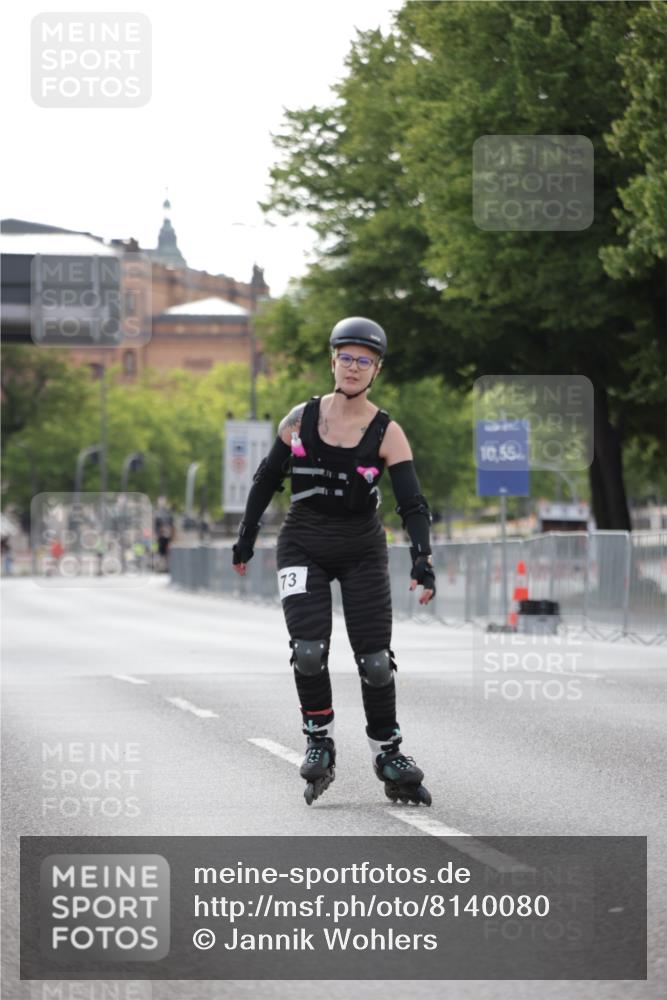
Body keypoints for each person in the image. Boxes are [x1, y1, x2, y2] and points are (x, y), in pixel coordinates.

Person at [232, 317, 436, 806]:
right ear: (333, 361)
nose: (353, 367)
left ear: (376, 370)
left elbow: (412, 503)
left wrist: (422, 558)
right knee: (308, 650)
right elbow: (266, 479)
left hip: (362, 548)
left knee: (375, 662)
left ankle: (388, 753)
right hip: (302, 543)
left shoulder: (388, 432)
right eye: (346, 357)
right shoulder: (299, 420)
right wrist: (246, 537)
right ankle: (318, 738)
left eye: (364, 360)